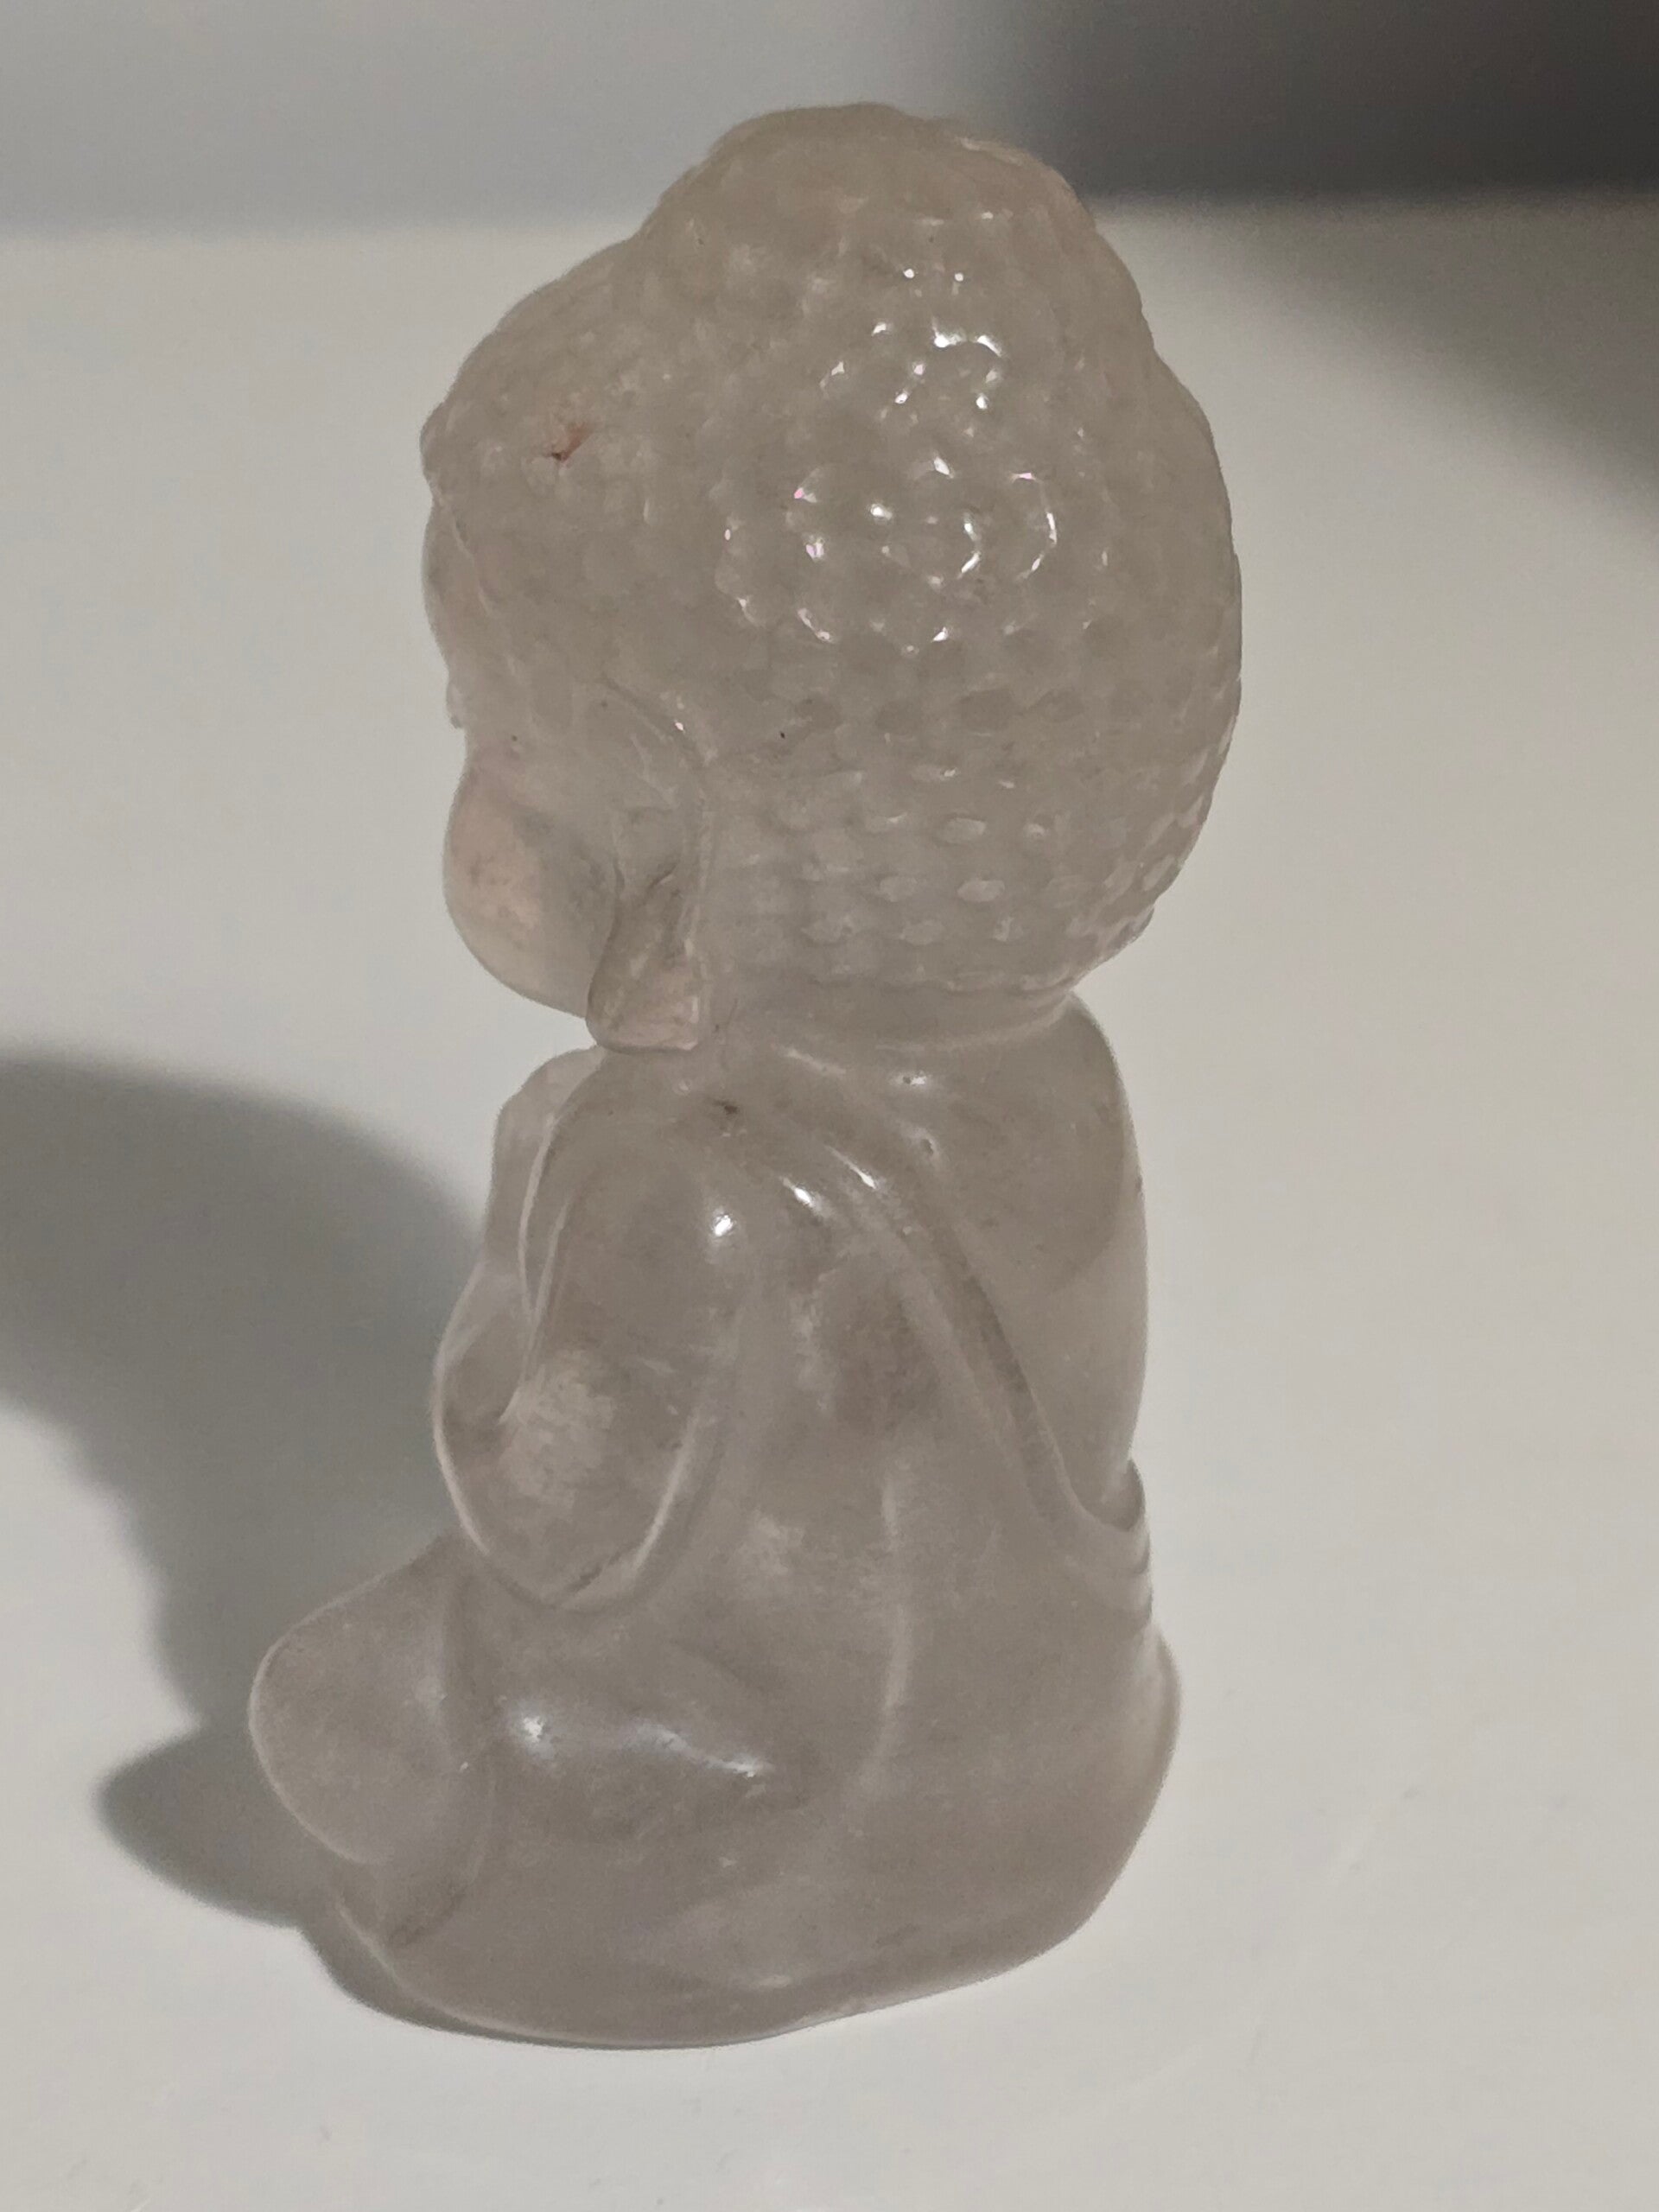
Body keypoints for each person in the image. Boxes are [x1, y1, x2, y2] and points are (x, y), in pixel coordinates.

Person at [251, 104, 1240, 2044]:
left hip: (755, 1790)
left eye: (490, 733)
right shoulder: (1063, 1090)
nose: (470, 790)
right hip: (1056, 1735)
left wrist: (516, 1251)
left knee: (335, 1707)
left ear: (680, 842)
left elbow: (557, 1527)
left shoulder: (681, 1186)